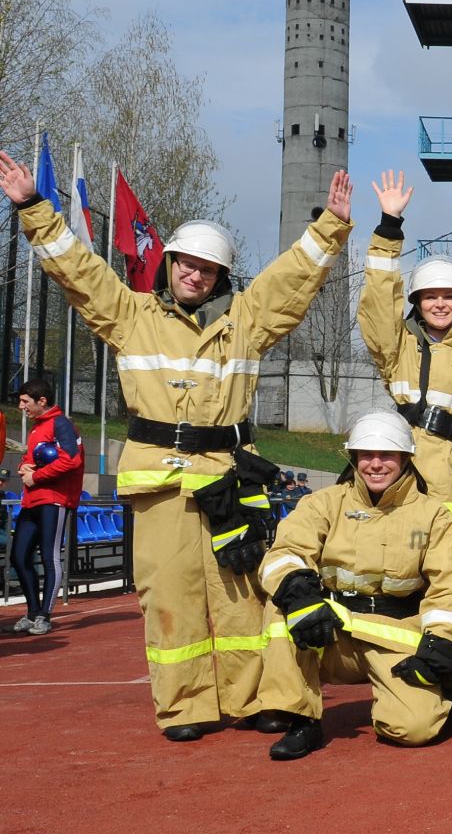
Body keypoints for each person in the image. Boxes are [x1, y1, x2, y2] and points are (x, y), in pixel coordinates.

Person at [0, 152, 351, 741]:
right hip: (159, 482)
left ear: (221, 277)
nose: (196, 274)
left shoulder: (246, 320)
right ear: (169, 265)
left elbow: (291, 280)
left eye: (209, 269)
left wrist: (330, 227)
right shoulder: (130, 315)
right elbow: (79, 273)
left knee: (238, 593)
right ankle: (184, 707)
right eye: (187, 263)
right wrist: (35, 208)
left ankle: (250, 699)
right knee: (168, 594)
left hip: (225, 477)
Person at [254, 410, 452, 760]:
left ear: (405, 458)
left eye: (387, 455)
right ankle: (300, 717)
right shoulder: (324, 502)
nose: (376, 464)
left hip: (393, 634)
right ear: (354, 458)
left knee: (414, 729)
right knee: (281, 609)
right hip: (330, 631)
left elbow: (447, 588)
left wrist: (438, 642)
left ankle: (415, 698)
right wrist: (303, 599)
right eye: (367, 455)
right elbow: (285, 554)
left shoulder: (433, 514)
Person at [359, 170, 452, 533]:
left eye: (449, 296)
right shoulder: (399, 349)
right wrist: (390, 227)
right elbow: (378, 305)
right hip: (405, 490)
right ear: (417, 302)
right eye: (430, 296)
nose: (440, 304)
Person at [11, 378, 83, 635]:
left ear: (42, 401)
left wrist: (37, 476)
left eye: (25, 401)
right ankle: (31, 613)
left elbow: (71, 460)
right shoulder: (36, 428)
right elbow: (30, 461)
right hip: (31, 500)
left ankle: (45, 615)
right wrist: (24, 468)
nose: (21, 406)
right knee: (18, 556)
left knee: (49, 556)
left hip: (55, 499)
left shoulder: (61, 424)